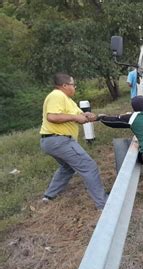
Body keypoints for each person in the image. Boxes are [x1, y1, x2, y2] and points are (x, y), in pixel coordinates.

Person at [40, 73, 108, 209]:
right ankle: (103, 204)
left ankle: (49, 196)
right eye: (73, 84)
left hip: (52, 141)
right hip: (60, 140)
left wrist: (89, 116)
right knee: (89, 167)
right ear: (64, 85)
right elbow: (52, 117)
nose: (74, 87)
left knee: (67, 167)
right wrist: (76, 118)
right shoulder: (56, 95)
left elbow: (79, 116)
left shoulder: (68, 100)